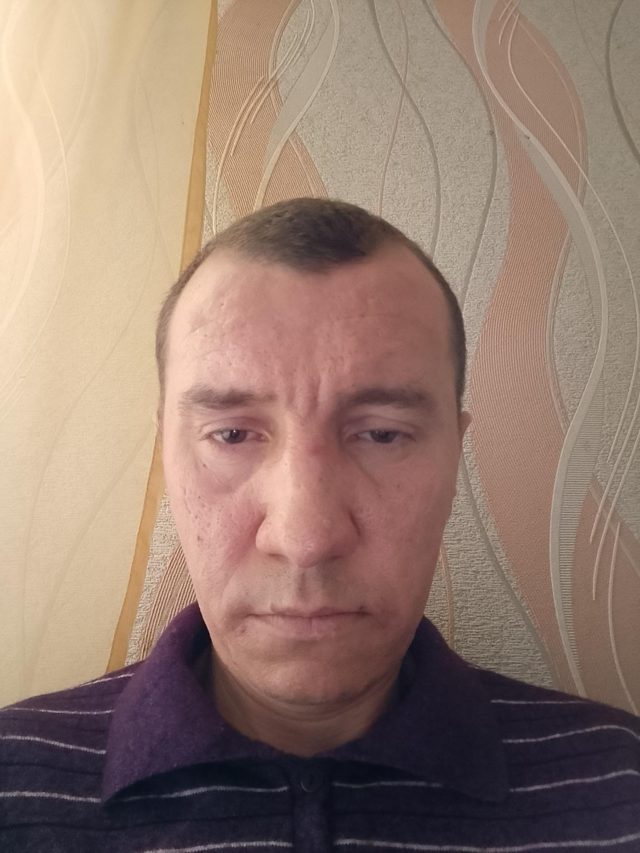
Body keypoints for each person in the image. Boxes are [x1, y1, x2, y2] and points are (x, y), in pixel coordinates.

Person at [1, 198, 639, 852]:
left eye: (382, 434)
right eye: (231, 434)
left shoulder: (622, 786)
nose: (305, 540)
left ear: (454, 456)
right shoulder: (13, 782)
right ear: (166, 454)